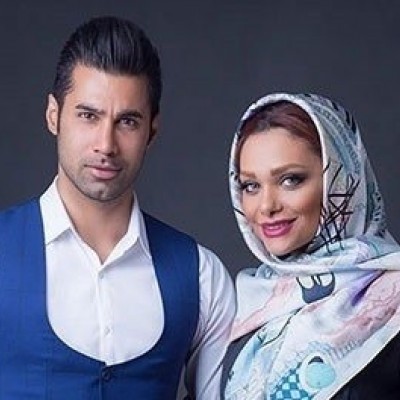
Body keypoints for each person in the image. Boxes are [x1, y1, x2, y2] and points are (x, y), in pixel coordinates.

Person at [0, 16, 235, 399]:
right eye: (88, 116)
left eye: (127, 121)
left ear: (152, 131)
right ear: (53, 115)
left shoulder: (201, 276)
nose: (106, 144)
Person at [223, 92, 400, 399]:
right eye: (251, 186)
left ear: (338, 180)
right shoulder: (242, 307)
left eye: (290, 180)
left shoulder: (393, 298)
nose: (266, 205)